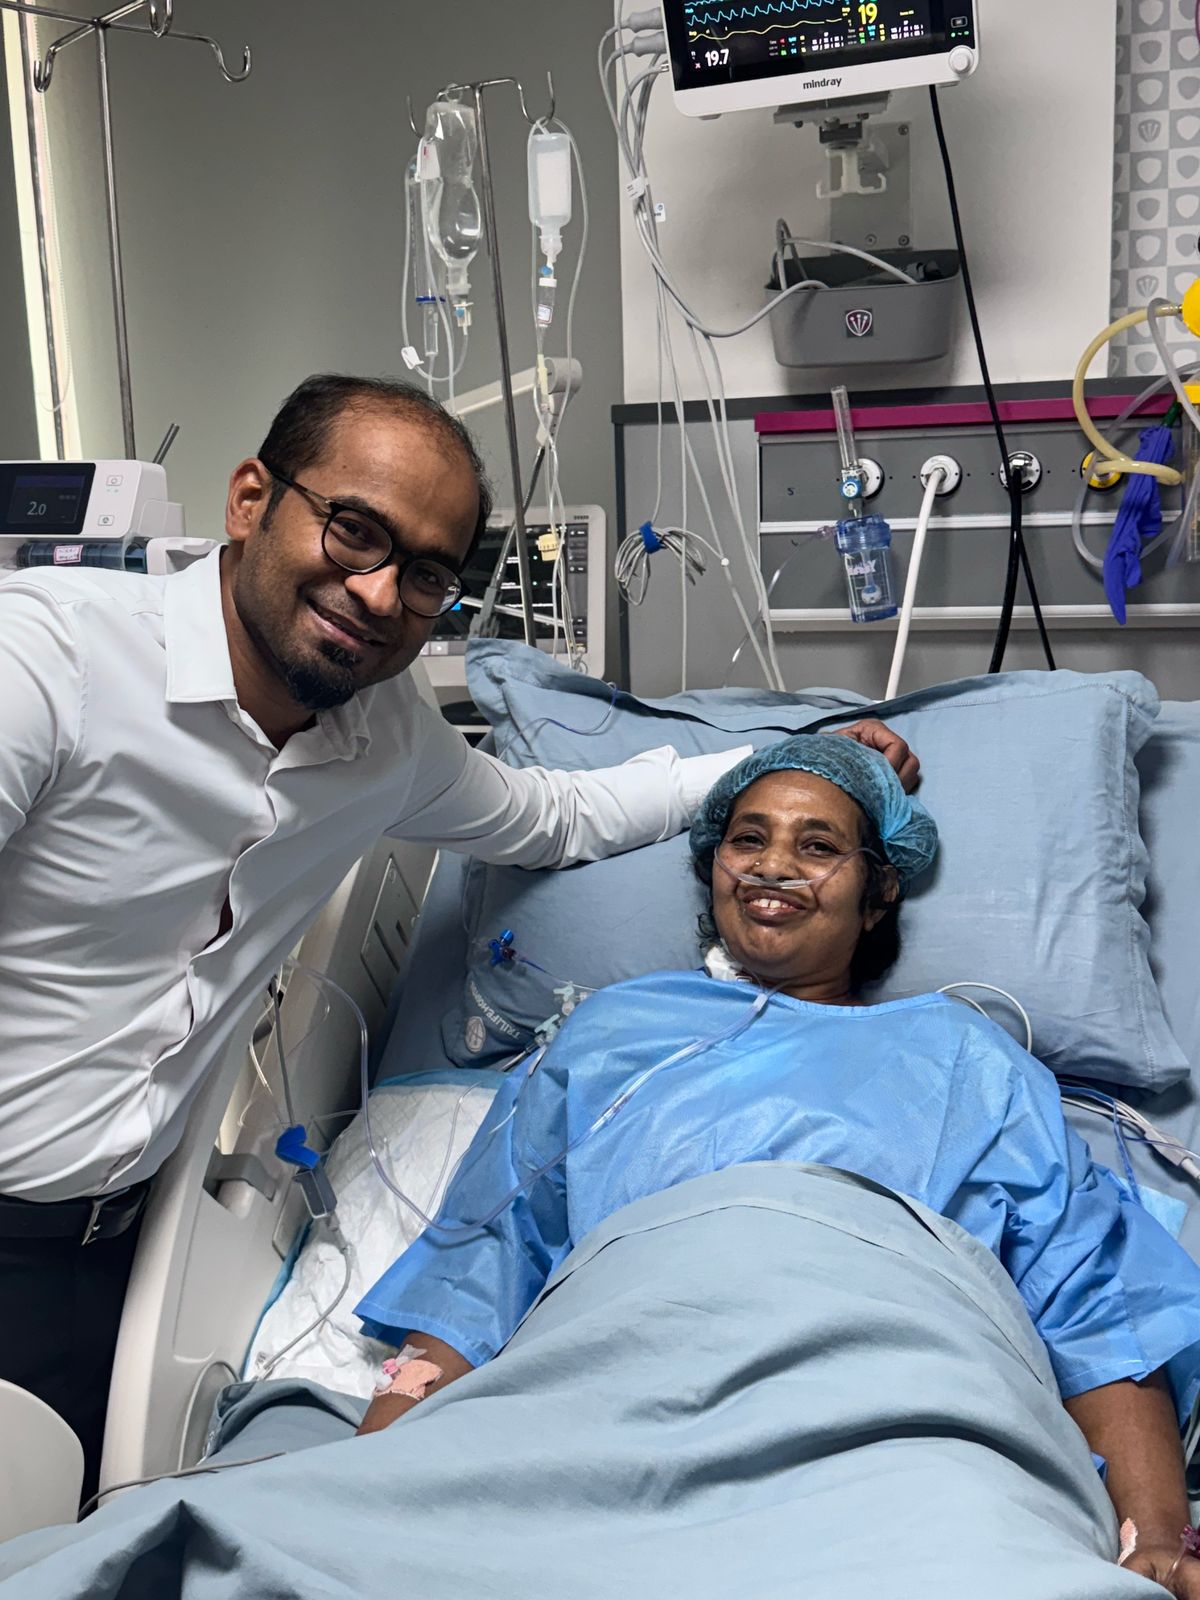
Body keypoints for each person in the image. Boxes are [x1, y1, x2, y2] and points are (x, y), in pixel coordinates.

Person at [0, 373, 913, 1501]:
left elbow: (555, 816)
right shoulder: (50, 664)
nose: (380, 594)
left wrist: (788, 757)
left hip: (104, 1252)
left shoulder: (382, 738)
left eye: (428, 574)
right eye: (354, 530)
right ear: (250, 499)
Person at [356, 735, 1200, 1597]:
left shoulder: (964, 1052)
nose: (773, 866)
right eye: (748, 839)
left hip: (895, 1413)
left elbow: (1093, 1300)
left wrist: (1158, 1537)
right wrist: (373, 1471)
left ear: (879, 894)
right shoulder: (613, 1031)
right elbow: (486, 1258)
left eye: (818, 845)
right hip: (610, 1388)